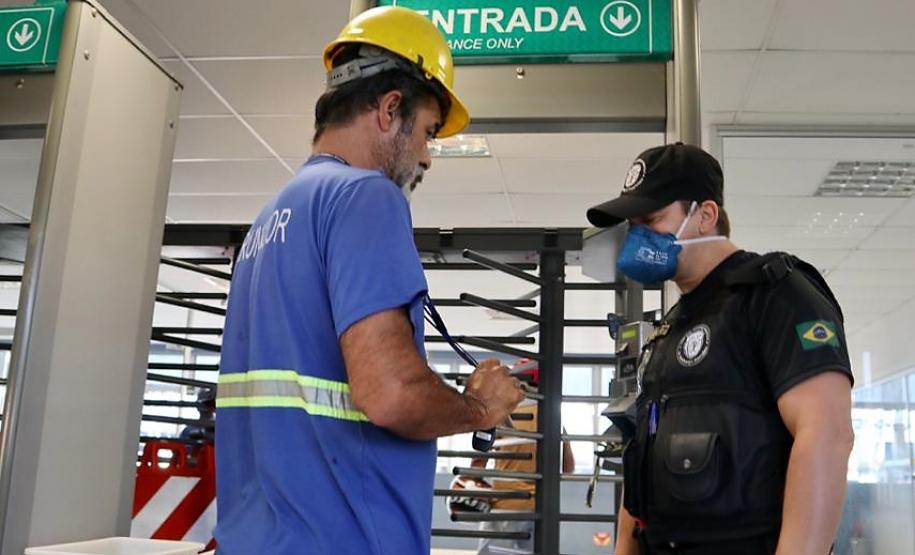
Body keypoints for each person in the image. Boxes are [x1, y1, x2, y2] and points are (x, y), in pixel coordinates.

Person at [213, 7, 525, 555]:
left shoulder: (268, 223)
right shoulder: (364, 197)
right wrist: (479, 409)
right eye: (428, 132)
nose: (426, 156)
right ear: (389, 109)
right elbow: (390, 394)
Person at [586, 143, 854, 555]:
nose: (636, 235)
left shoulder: (776, 294)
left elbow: (827, 435)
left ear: (704, 215)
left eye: (652, 219)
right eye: (632, 223)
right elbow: (644, 448)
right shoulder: (670, 326)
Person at [466, 361, 575, 555]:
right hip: (542, 509)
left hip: (505, 506)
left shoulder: (501, 414)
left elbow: (477, 466)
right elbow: (568, 467)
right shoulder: (554, 421)